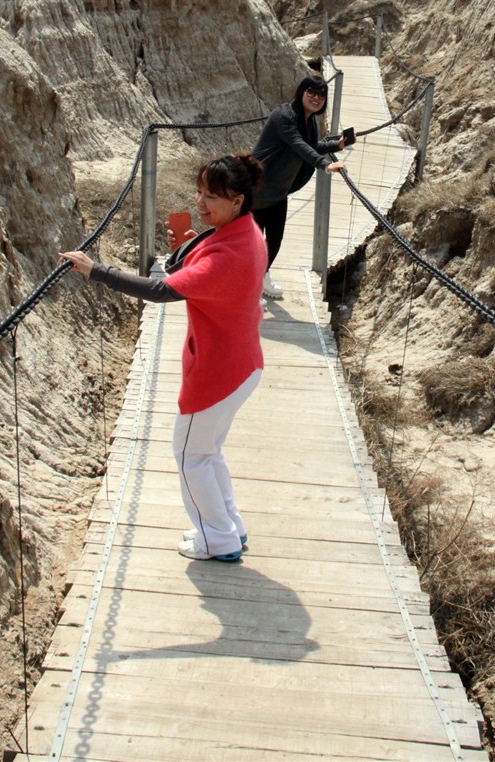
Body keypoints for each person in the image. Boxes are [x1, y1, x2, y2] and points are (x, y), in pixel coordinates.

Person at [60, 154, 267, 562]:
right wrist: (185, 246)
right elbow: (199, 267)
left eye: (211, 197)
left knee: (190, 456)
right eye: (200, 192)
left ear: (237, 200)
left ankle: (217, 540)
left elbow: (161, 291)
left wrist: (95, 270)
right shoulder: (246, 231)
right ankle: (228, 527)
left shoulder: (230, 254)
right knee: (206, 452)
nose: (200, 202)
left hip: (219, 372)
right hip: (241, 363)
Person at [252, 75, 347, 300]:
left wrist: (337, 144)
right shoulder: (283, 116)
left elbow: (310, 145)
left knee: (274, 239)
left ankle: (261, 276)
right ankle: (248, 288)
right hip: (257, 188)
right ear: (301, 92)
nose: (316, 98)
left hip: (279, 191)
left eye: (321, 95)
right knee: (251, 241)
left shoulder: (308, 120)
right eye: (311, 92)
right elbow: (298, 145)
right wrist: (324, 164)